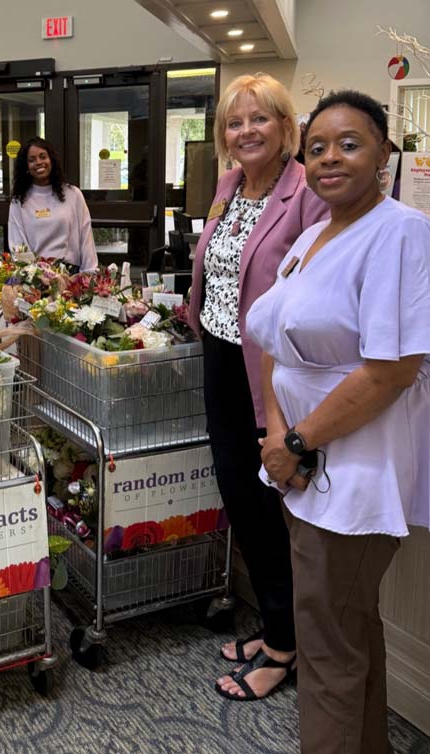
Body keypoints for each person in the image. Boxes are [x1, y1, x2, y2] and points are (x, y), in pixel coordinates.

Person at [248, 90, 430, 754]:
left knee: (328, 649)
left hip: (350, 470)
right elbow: (273, 343)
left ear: (385, 152)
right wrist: (274, 434)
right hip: (302, 467)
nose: (329, 158)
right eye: (317, 146)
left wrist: (295, 441)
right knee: (349, 629)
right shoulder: (311, 236)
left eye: (349, 144)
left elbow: (391, 370)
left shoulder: (401, 232)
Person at [186, 73, 329, 701]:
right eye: (234, 123)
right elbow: (217, 273)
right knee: (240, 497)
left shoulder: (306, 196)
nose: (245, 131)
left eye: (259, 119)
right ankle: (278, 626)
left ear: (284, 126)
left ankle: (282, 646)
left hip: (270, 373)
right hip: (219, 357)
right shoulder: (228, 187)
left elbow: (314, 297)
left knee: (272, 507)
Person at [8, 137, 98, 272]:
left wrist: (89, 273)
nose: (38, 162)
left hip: (70, 275)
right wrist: (32, 277)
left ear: (51, 160)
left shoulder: (73, 194)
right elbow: (18, 245)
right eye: (31, 160)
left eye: (43, 157)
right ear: (26, 167)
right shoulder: (19, 201)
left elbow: (85, 236)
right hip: (35, 277)